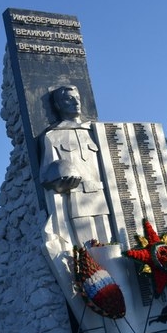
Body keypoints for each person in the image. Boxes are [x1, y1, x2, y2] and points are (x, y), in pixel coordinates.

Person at [40, 85, 112, 247]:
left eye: (77, 98)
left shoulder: (95, 132)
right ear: (58, 105)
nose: (76, 102)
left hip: (103, 197)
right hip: (77, 198)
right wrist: (58, 177)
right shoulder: (53, 136)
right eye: (68, 99)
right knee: (88, 249)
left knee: (110, 245)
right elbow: (45, 175)